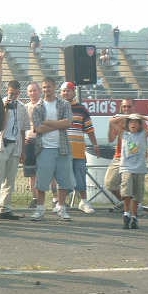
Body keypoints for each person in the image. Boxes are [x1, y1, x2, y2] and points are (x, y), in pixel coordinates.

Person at [0, 50, 30, 219]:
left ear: (19, 93)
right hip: (1, 144)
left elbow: (23, 129)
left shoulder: (22, 107)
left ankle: (4, 208)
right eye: (11, 92)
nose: (13, 95)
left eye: (16, 93)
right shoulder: (0, 103)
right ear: (8, 90)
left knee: (10, 179)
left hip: (15, 145)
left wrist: (23, 151)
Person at [30, 77, 73, 221]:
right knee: (41, 183)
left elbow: (68, 123)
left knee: (64, 181)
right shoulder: (37, 107)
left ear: (54, 87)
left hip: (62, 148)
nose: (46, 90)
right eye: (44, 87)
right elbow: (38, 128)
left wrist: (48, 122)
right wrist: (58, 124)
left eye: (48, 87)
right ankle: (40, 209)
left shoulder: (64, 104)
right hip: (44, 148)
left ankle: (61, 208)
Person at [109, 114, 148, 229]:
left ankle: (134, 216)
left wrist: (143, 117)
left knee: (137, 195)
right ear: (127, 124)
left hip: (139, 169)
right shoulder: (124, 134)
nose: (133, 124)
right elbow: (112, 122)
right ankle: (126, 214)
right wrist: (127, 116)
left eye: (136, 122)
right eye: (131, 122)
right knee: (127, 193)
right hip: (126, 168)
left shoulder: (143, 134)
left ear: (140, 124)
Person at [60, 81, 100, 214]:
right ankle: (61, 204)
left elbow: (89, 129)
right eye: (64, 90)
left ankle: (83, 202)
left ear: (74, 92)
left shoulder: (82, 109)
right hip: (62, 150)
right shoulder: (57, 108)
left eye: (68, 90)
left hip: (78, 150)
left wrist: (95, 144)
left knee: (80, 176)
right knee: (63, 177)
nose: (66, 93)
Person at [105, 99, 136, 207]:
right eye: (124, 106)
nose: (126, 109)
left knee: (127, 186)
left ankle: (131, 207)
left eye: (129, 106)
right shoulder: (118, 120)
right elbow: (111, 139)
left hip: (133, 157)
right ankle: (127, 204)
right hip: (119, 156)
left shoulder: (138, 121)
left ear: (134, 107)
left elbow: (136, 142)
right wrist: (112, 125)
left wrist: (123, 123)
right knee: (109, 183)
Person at [24, 82, 42, 208]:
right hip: (29, 142)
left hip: (42, 142)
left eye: (34, 90)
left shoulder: (44, 105)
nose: (32, 93)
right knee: (32, 173)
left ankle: (55, 198)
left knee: (48, 171)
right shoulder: (25, 107)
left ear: (39, 91)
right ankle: (35, 199)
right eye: (30, 91)